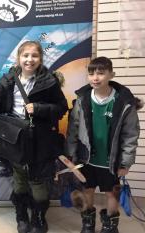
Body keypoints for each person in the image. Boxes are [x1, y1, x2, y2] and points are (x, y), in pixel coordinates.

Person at [0, 41, 68, 233]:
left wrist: (38, 108)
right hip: (14, 139)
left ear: (40, 58)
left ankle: (39, 217)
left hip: (40, 140)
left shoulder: (49, 81)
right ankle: (21, 214)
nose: (29, 60)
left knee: (38, 180)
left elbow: (61, 108)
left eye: (34, 56)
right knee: (19, 177)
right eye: (25, 55)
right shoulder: (7, 81)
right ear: (19, 58)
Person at [66, 56, 141, 233]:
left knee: (112, 193)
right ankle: (88, 223)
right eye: (91, 73)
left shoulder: (124, 103)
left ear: (111, 74)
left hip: (111, 161)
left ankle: (110, 226)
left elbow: (131, 135)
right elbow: (73, 131)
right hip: (87, 159)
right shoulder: (82, 100)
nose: (95, 77)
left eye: (101, 73)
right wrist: (71, 157)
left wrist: (125, 163)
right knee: (88, 190)